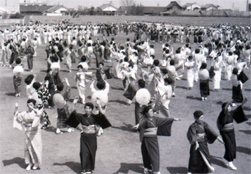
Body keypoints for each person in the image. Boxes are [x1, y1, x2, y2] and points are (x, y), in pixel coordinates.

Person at [65, 101, 111, 174]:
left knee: (91, 152)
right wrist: (73, 103)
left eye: (88, 108)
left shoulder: (95, 117)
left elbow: (102, 114)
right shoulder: (82, 116)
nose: (87, 110)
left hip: (92, 137)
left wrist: (99, 105)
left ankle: (89, 169)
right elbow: (73, 113)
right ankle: (84, 169)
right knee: (83, 152)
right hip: (84, 137)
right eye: (85, 108)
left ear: (91, 109)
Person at [133, 105, 180, 174]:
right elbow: (140, 124)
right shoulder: (144, 119)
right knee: (145, 153)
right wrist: (137, 126)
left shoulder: (155, 119)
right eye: (150, 111)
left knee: (155, 154)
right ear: (146, 113)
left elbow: (164, 120)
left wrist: (173, 119)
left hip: (153, 139)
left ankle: (156, 170)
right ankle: (147, 168)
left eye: (152, 111)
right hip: (146, 139)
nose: (152, 112)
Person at [216, 98, 247, 171]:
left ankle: (227, 159)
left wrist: (243, 103)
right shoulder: (222, 114)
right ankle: (230, 162)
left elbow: (238, 110)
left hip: (231, 131)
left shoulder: (230, 113)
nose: (230, 107)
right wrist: (231, 102)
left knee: (233, 146)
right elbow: (225, 108)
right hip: (225, 132)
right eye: (229, 106)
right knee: (229, 146)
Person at [14, 99, 43, 170]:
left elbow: (38, 120)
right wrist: (16, 107)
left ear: (34, 105)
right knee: (27, 148)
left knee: (36, 148)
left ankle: (36, 163)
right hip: (28, 132)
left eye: (32, 105)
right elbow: (17, 116)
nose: (30, 106)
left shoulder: (37, 113)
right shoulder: (25, 113)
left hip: (35, 133)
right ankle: (29, 163)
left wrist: (27, 123)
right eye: (29, 105)